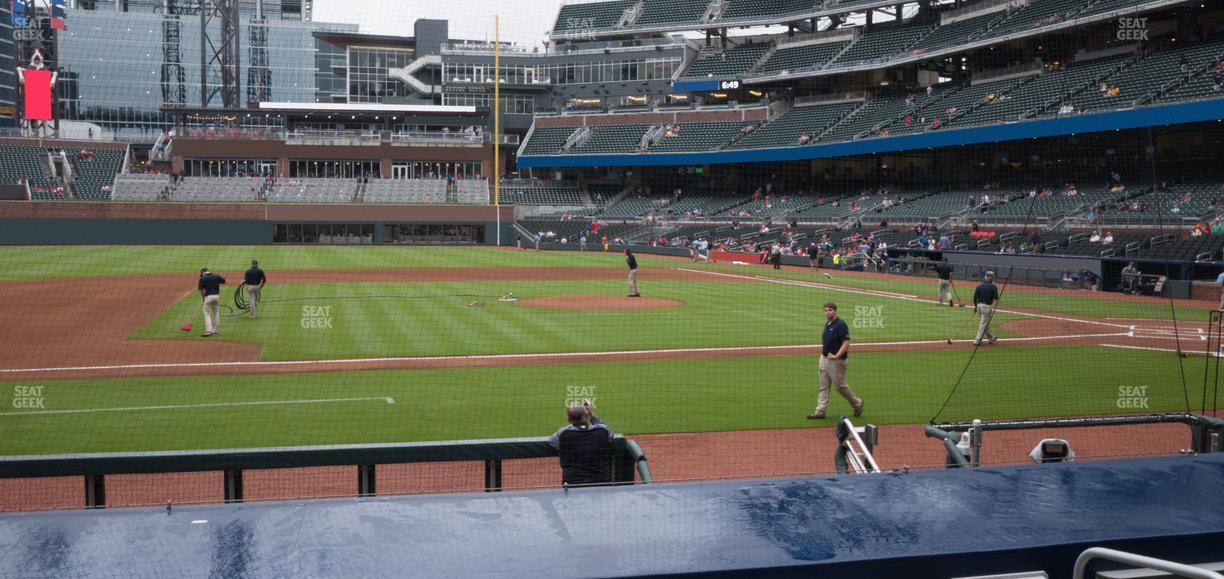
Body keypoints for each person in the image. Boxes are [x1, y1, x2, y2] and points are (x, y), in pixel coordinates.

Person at [809, 303, 863, 420]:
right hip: (824, 359)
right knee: (823, 386)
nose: (828, 312)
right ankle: (820, 411)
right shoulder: (828, 324)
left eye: (830, 310)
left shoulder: (840, 324)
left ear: (835, 311)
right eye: (826, 310)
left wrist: (837, 355)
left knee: (839, 386)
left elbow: (846, 342)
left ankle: (857, 403)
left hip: (836, 362)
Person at [547, 399, 614, 487]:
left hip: (573, 484)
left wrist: (574, 421)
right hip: (601, 482)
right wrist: (591, 414)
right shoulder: (603, 431)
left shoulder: (563, 433)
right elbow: (610, 433)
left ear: (568, 419)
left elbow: (551, 442)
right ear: (587, 415)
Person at [972, 271, 999, 346]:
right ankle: (977, 340)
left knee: (984, 323)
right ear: (992, 278)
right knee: (983, 323)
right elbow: (996, 298)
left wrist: (975, 307)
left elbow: (974, 298)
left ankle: (991, 338)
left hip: (979, 307)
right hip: (987, 307)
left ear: (985, 277)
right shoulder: (993, 286)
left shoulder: (979, 286)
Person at [198, 267, 226, 336]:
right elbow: (225, 281)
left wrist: (203, 298)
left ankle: (209, 330)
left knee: (207, 313)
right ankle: (216, 330)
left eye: (201, 274)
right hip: (216, 296)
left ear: (203, 272)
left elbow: (201, 289)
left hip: (208, 297)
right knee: (216, 313)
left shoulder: (202, 278)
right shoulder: (216, 276)